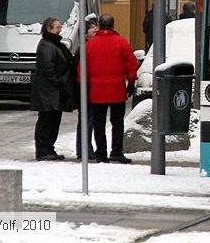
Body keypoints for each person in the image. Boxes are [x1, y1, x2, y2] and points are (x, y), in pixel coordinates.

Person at [84, 13, 138, 164]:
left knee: (98, 123)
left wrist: (85, 84)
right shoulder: (121, 42)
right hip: (117, 90)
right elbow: (131, 64)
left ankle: (101, 153)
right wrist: (131, 82)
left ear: (99, 26)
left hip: (97, 91)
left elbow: (83, 68)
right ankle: (116, 152)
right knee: (117, 122)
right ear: (114, 25)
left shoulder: (91, 44)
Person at [30, 17, 75, 161]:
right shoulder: (47, 45)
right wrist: (59, 82)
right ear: (49, 28)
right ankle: (43, 150)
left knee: (54, 120)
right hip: (48, 92)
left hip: (53, 91)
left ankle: (49, 148)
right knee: (47, 121)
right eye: (57, 27)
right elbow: (48, 68)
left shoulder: (54, 43)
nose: (60, 29)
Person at [74, 18, 98, 160]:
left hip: (88, 88)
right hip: (85, 89)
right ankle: (84, 149)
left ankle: (84, 149)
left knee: (88, 119)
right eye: (92, 27)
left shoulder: (87, 46)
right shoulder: (84, 48)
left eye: (96, 26)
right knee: (86, 119)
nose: (95, 29)